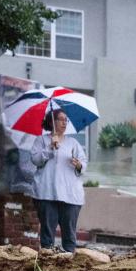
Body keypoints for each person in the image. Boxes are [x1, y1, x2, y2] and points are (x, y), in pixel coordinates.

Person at [30, 108, 87, 252]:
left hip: (70, 195)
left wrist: (79, 164)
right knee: (47, 235)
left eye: (65, 120)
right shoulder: (41, 140)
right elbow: (35, 160)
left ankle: (69, 266)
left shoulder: (73, 143)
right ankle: (47, 264)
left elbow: (83, 163)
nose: (64, 122)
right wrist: (50, 148)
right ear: (52, 122)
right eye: (60, 119)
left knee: (69, 235)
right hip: (46, 193)